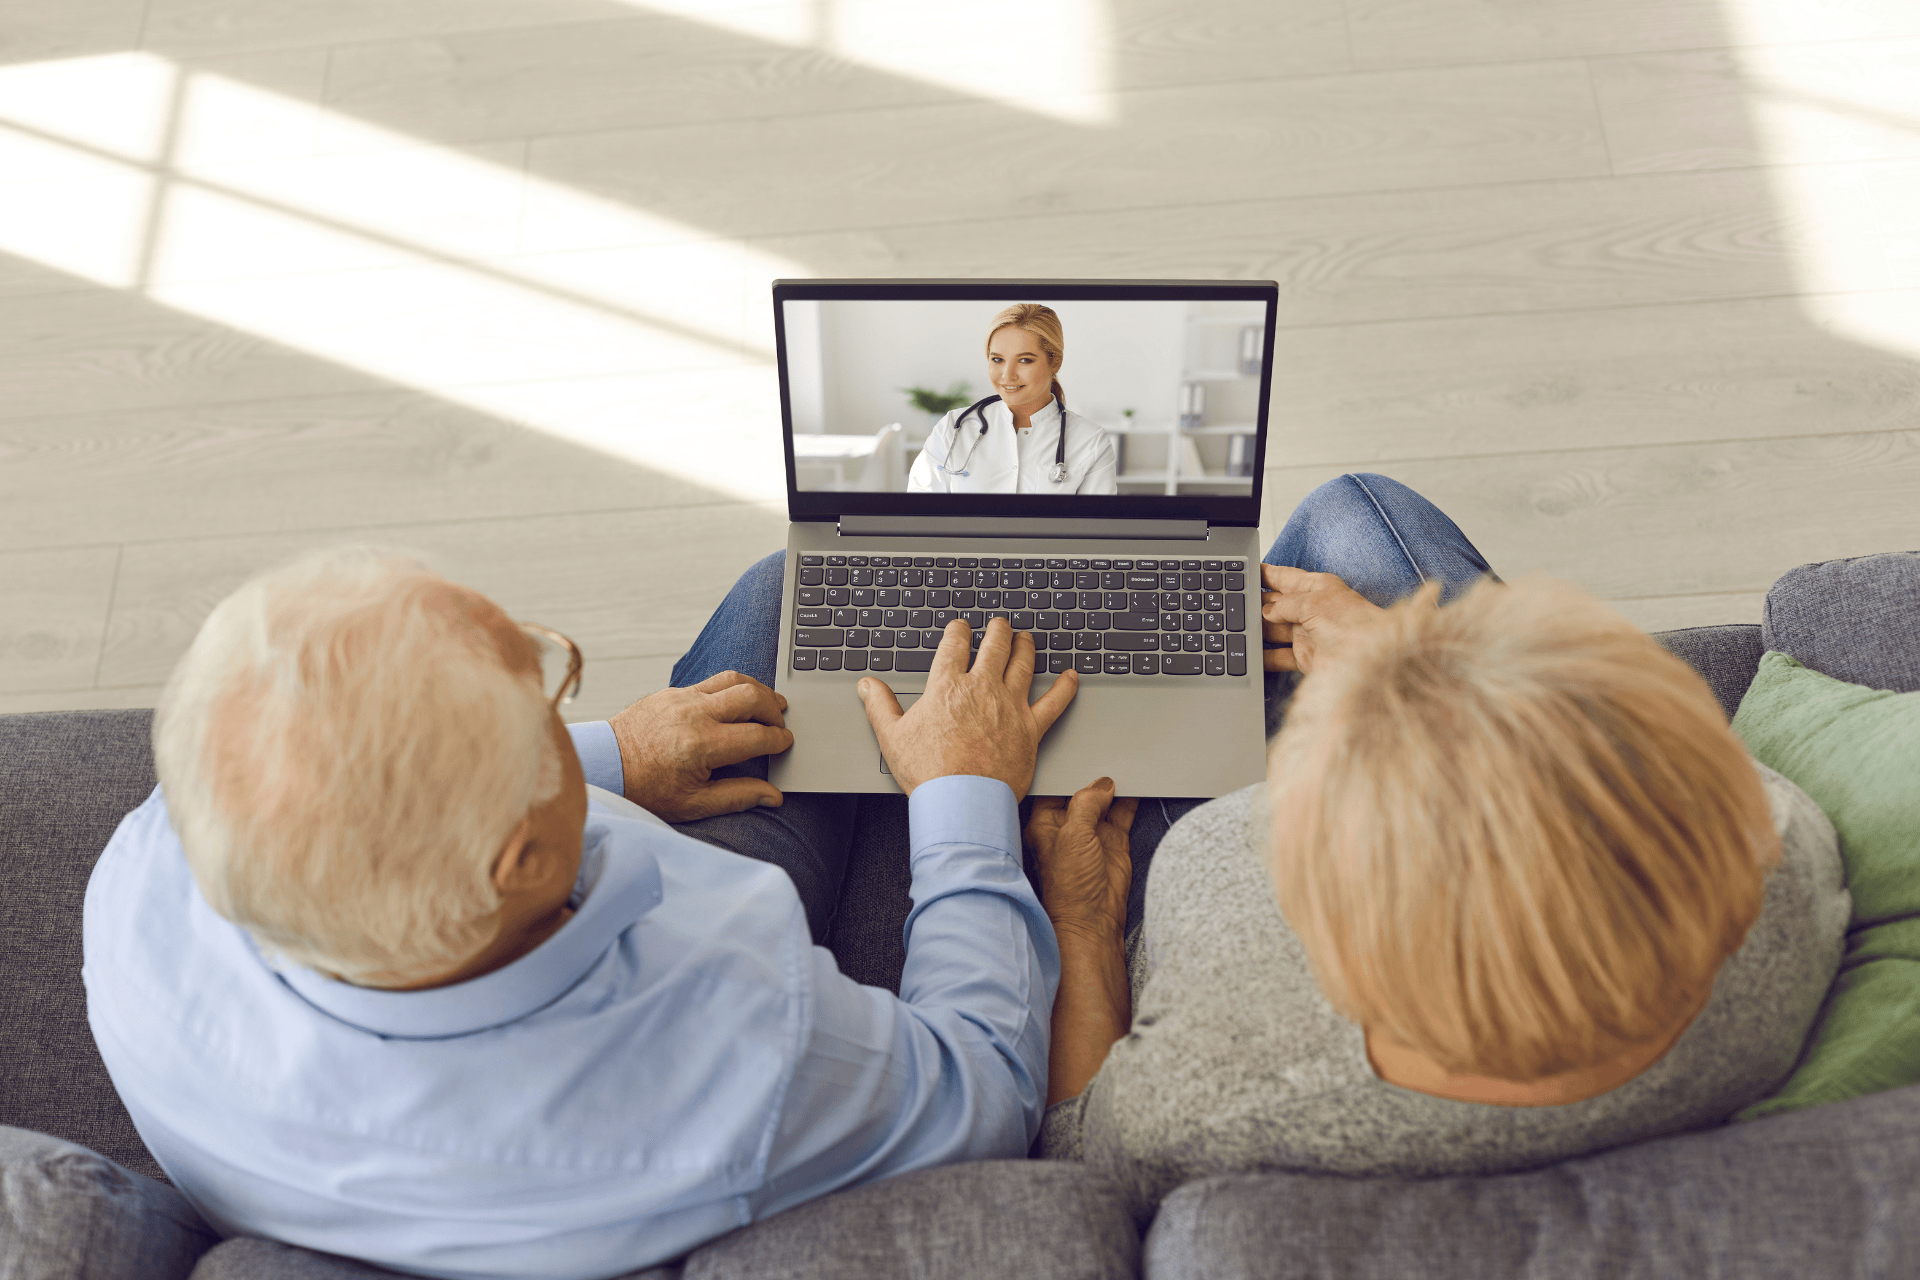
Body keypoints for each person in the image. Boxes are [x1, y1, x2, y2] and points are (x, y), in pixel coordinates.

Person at [83, 546, 1111, 1280]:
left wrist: (607, 752)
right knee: (788, 599)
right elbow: (981, 1085)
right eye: (541, 690)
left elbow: (326, 784)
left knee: (789, 598)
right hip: (679, 1043)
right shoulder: (739, 1055)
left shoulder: (153, 864)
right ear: (529, 856)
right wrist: (966, 796)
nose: (553, 682)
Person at [1028, 475, 1851, 1215]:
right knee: (1351, 511)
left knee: (1336, 520)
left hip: (1121, 877)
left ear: (1344, 950)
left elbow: (1078, 1163)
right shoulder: (1781, 860)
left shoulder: (1205, 1096)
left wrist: (1081, 920)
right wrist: (1406, 665)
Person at [906, 303, 1118, 495]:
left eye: (1025, 360)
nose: (1007, 375)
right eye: (997, 359)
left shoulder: (1091, 442)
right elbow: (919, 517)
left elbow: (1093, 531)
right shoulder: (952, 428)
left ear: (1055, 362)